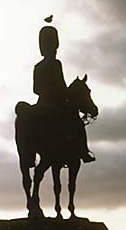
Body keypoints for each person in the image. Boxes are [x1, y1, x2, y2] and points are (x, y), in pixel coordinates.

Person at [33, 25, 94, 163]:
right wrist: (63, 93)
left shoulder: (39, 66)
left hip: (41, 102)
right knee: (77, 122)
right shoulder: (55, 64)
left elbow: (36, 89)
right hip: (53, 103)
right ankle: (83, 151)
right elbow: (59, 86)